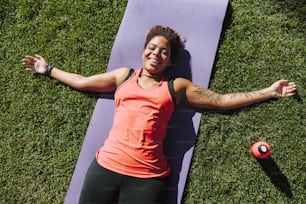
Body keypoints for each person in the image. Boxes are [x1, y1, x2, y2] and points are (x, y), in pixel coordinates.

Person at [22, 25, 296, 204]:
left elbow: (221, 101)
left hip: (147, 176)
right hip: (105, 167)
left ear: (169, 59)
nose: (156, 54)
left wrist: (268, 92)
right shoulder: (124, 76)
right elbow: (83, 81)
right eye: (152, 48)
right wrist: (48, 70)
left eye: (163, 51)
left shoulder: (176, 87)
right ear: (143, 52)